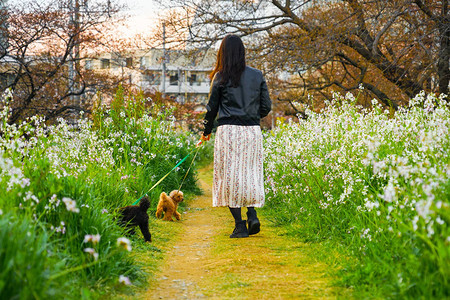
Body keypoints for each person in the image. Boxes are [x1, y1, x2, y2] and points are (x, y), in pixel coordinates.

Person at [200, 34, 272, 238]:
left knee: (229, 177)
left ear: (223, 53)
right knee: (250, 174)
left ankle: (240, 225)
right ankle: (252, 214)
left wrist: (205, 132)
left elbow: (211, 108)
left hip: (228, 132)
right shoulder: (257, 75)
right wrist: (250, 117)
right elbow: (266, 107)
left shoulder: (220, 76)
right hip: (251, 132)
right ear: (242, 52)